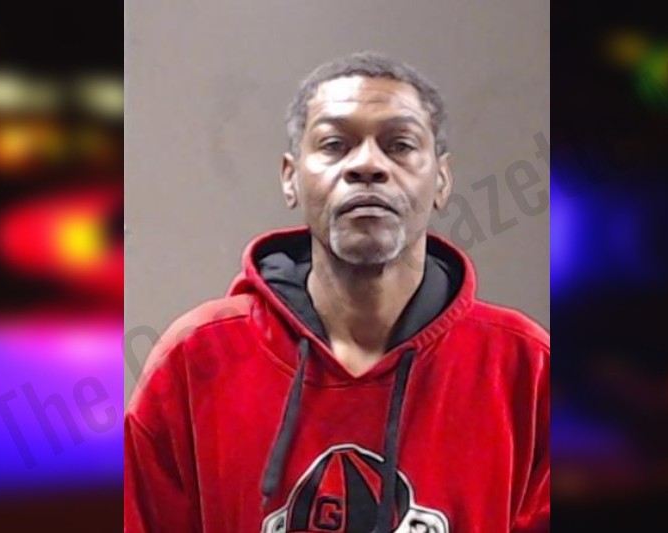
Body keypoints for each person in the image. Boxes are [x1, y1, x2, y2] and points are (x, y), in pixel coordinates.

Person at [125, 51, 549, 532]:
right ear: (291, 178)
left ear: (441, 180)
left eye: (400, 145)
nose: (367, 165)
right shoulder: (197, 358)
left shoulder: (525, 367)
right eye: (334, 144)